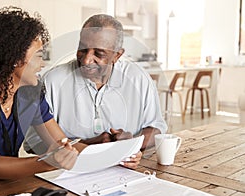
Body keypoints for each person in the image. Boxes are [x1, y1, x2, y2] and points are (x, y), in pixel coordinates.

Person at [0, 7, 84, 188]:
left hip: (10, 185)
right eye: (39, 56)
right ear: (14, 59)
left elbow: (62, 143)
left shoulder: (31, 96)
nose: (43, 64)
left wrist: (114, 155)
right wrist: (46, 162)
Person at [24, 14, 167, 154]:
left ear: (117, 55)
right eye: (83, 49)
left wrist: (130, 144)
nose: (86, 60)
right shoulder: (52, 81)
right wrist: (88, 145)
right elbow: (33, 143)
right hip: (69, 171)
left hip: (125, 169)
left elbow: (157, 129)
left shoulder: (138, 79)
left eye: (99, 53)